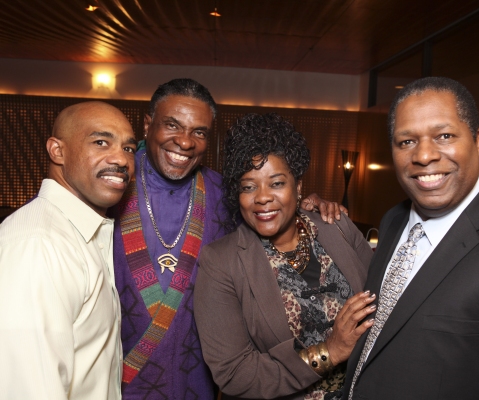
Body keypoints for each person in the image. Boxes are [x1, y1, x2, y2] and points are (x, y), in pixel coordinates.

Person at [113, 79, 345, 399]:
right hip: (116, 383)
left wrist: (306, 208)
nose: (185, 142)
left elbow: (270, 215)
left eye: (199, 132)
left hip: (200, 382)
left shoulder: (226, 193)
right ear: (148, 124)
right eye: (172, 125)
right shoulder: (110, 186)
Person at [344, 77, 479, 399]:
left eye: (444, 136)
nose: (423, 155)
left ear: (477, 141)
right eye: (406, 141)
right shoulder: (394, 220)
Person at [194, 113, 376, 400]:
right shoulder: (221, 262)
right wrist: (331, 351)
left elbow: (384, 303)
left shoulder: (337, 226)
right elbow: (235, 375)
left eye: (276, 183)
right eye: (248, 186)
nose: (263, 197)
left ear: (298, 186)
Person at [0, 101, 137, 399]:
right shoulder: (35, 249)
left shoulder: (75, 234)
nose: (121, 159)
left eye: (129, 149)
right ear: (57, 151)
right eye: (101, 142)